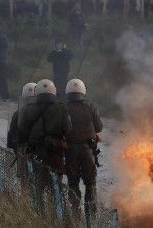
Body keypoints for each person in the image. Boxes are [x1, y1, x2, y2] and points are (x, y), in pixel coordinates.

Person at [18, 80, 72, 187]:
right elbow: (68, 129)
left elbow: (22, 131)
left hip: (35, 150)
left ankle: (39, 203)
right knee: (56, 182)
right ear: (53, 92)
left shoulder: (28, 109)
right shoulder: (61, 108)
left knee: (38, 183)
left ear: (37, 92)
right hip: (56, 150)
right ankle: (56, 202)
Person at [64, 79, 103, 213]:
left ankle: (75, 213)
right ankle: (90, 215)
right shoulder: (90, 106)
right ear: (83, 91)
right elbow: (99, 127)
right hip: (87, 150)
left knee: (73, 182)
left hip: (70, 150)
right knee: (90, 183)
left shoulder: (64, 107)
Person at [7, 82, 38, 184]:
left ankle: (26, 197)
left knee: (24, 178)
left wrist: (15, 147)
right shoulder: (43, 113)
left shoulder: (18, 113)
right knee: (38, 177)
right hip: (37, 149)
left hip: (22, 149)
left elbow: (12, 133)